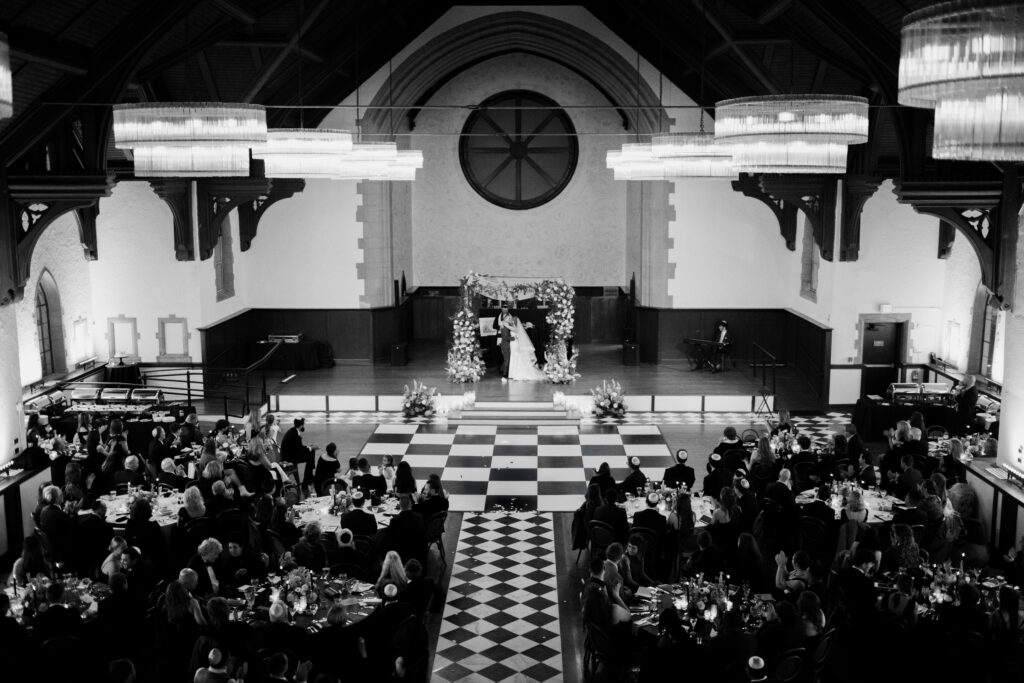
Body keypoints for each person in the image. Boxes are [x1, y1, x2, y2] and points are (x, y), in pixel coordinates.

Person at [384, 493, 426, 564]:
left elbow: (390, 540)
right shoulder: (419, 517)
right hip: (416, 550)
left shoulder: (394, 521)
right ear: (410, 505)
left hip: (401, 553)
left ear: (399, 505)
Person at [507, 314, 546, 381]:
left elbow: (507, 326)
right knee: (514, 357)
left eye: (511, 319)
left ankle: (514, 373)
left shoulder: (515, 328)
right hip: (513, 343)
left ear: (514, 321)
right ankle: (512, 373)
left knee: (515, 357)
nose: (510, 320)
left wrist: (504, 323)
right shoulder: (515, 327)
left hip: (515, 344)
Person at [281, 417, 317, 489]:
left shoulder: (293, 431)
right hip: (290, 457)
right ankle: (307, 479)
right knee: (311, 454)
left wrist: (308, 447)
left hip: (291, 454)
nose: (304, 426)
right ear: (301, 425)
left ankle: (309, 476)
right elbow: (299, 449)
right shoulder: (294, 434)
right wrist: (310, 448)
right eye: (303, 425)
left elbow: (298, 447)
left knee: (311, 452)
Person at [495, 305, 514, 381]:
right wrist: (514, 338)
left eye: (506, 308)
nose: (504, 309)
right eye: (503, 308)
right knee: (506, 359)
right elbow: (506, 337)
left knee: (507, 358)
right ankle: (504, 373)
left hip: (505, 342)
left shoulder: (507, 325)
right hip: (505, 342)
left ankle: (503, 369)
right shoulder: (504, 326)